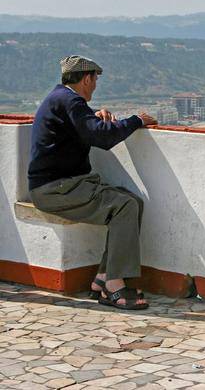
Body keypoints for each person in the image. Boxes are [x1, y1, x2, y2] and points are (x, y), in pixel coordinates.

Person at [28, 55, 157, 310]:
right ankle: (114, 286)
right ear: (86, 78)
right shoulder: (70, 100)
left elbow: (86, 126)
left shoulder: (61, 98)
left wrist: (95, 116)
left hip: (61, 186)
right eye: (95, 79)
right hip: (56, 189)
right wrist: (137, 121)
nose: (96, 85)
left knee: (132, 202)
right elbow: (102, 138)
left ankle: (102, 278)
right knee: (125, 206)